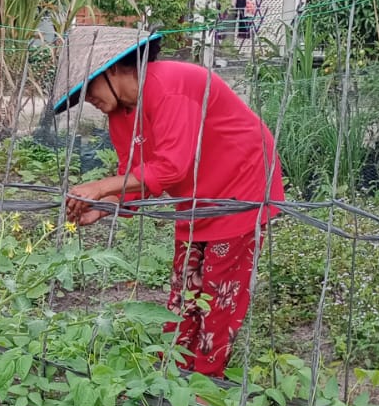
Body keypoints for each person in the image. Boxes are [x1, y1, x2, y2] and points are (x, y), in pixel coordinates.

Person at [56, 26, 284, 377]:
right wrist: (105, 206)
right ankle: (173, 375)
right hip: (196, 195)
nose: (90, 101)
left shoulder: (170, 85)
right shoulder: (120, 114)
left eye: (89, 90)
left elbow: (171, 168)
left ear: (114, 69)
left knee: (220, 293)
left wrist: (101, 186)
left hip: (242, 184)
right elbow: (137, 177)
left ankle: (207, 387)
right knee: (184, 287)